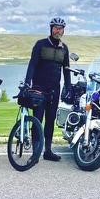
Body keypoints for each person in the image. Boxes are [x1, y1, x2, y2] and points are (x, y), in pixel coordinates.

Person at [25, 17, 71, 162]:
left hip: (54, 90)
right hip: (38, 89)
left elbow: (66, 69)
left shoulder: (64, 48)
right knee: (37, 120)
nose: (58, 31)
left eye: (61, 28)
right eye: (56, 28)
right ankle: (35, 153)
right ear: (51, 29)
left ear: (63, 30)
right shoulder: (40, 44)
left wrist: (68, 87)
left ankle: (48, 151)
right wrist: (27, 83)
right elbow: (32, 65)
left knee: (50, 120)